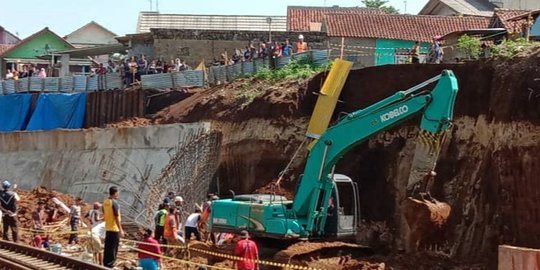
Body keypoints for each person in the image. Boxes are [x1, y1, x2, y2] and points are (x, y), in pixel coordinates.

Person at [103, 186, 124, 268]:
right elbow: (116, 217)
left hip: (108, 228)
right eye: (118, 193)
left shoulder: (105, 202)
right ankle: (111, 265)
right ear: (115, 193)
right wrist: (120, 229)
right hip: (114, 228)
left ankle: (105, 264)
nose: (118, 194)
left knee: (107, 248)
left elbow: (105, 214)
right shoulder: (114, 203)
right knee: (113, 249)